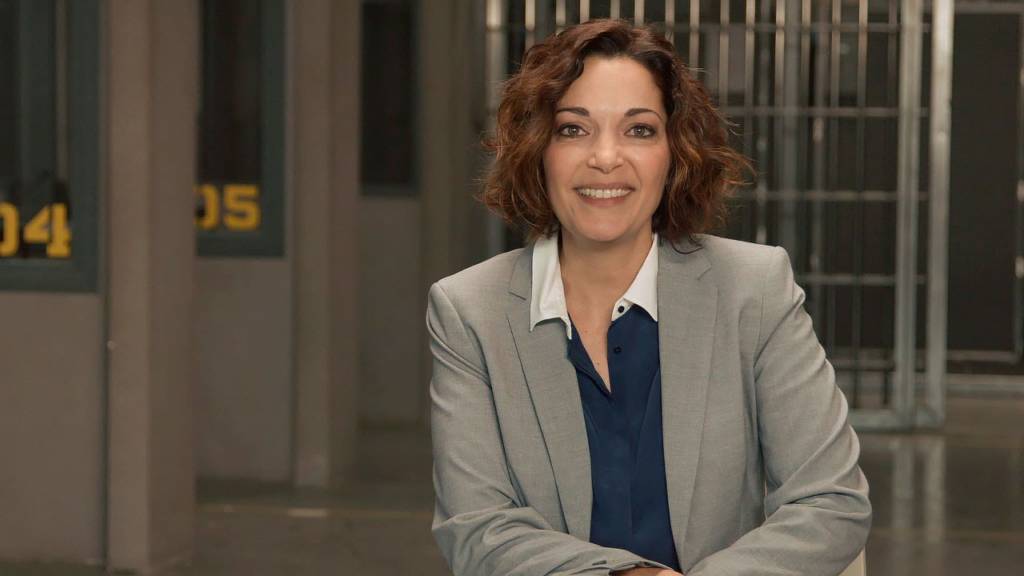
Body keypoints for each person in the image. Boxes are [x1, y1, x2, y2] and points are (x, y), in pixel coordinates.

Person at [426, 19, 870, 576]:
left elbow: (830, 501)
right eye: (573, 129)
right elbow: (478, 528)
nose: (605, 157)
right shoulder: (469, 310)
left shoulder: (754, 288)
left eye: (639, 130)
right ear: (538, 150)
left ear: (674, 153)